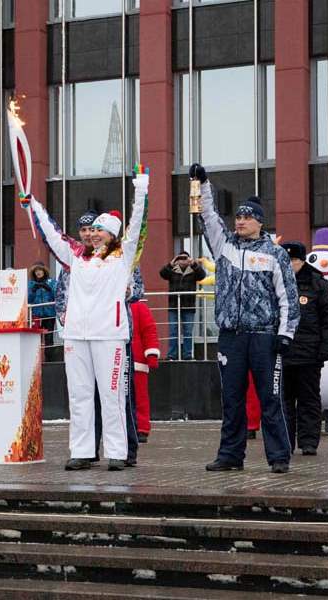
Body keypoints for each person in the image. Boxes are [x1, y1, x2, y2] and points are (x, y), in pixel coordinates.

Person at [24, 167, 149, 472]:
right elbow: (53, 234)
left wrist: (142, 189)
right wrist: (34, 204)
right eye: (91, 230)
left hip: (110, 335)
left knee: (112, 395)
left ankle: (117, 452)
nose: (92, 234)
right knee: (79, 396)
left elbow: (138, 224)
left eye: (99, 230)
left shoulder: (123, 256)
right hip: (76, 335)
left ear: (112, 234)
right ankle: (81, 451)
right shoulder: (77, 255)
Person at [191, 163, 300, 474]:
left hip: (265, 336)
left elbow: (289, 298)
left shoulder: (275, 254)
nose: (240, 221)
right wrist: (203, 184)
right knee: (232, 399)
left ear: (260, 222)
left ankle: (279, 456)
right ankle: (230, 455)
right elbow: (208, 215)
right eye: (238, 217)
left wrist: (286, 334)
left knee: (270, 398)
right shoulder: (224, 246)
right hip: (231, 336)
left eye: (247, 217)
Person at [279, 241, 328, 455]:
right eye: (285, 261)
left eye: (293, 260)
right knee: (283, 401)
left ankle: (308, 442)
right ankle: (284, 442)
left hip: (309, 354)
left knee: (309, 399)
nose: (289, 265)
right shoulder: (275, 281)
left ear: (302, 261)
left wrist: (327, 349)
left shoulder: (318, 283)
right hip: (282, 352)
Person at [159, 251, 206, 360]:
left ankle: (187, 355)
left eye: (185, 258)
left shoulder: (193, 271)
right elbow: (162, 274)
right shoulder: (172, 270)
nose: (183, 260)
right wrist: (171, 264)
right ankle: (172, 355)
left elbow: (202, 276)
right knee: (173, 331)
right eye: (180, 258)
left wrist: (193, 264)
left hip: (189, 306)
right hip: (174, 306)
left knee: (188, 331)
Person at [130, 299, 159, 443]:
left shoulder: (140, 307)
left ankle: (141, 428)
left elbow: (149, 331)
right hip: (117, 361)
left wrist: (151, 354)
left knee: (140, 397)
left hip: (137, 361)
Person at [28, 262, 57, 361]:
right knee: (36, 339)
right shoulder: (31, 284)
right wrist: (33, 291)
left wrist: (49, 289)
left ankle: (49, 361)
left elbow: (57, 296)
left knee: (49, 338)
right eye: (36, 270)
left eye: (40, 269)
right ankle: (35, 362)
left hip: (49, 315)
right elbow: (28, 300)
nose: (38, 272)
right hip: (36, 316)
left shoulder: (52, 282)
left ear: (44, 270)